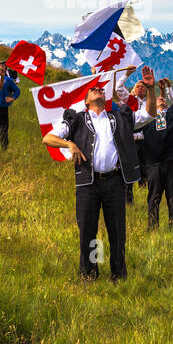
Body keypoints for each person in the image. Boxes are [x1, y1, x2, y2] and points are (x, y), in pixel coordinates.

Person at [42, 82, 143, 281]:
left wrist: (148, 90)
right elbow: (48, 138)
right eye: (93, 89)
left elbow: (148, 115)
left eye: (101, 89)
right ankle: (90, 272)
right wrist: (68, 143)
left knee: (117, 230)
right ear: (86, 100)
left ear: (105, 99)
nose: (98, 89)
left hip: (114, 181)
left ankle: (118, 274)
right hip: (88, 183)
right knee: (89, 230)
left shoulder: (117, 118)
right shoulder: (77, 119)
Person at [136, 63, 173, 230]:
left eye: (162, 99)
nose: (161, 100)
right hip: (153, 163)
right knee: (153, 196)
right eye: (157, 99)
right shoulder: (146, 118)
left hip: (171, 161)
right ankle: (152, 227)